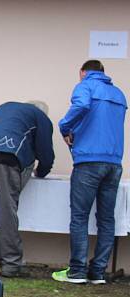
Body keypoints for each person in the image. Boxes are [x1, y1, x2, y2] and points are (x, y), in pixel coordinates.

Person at [53, 60, 127, 284]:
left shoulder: (85, 86)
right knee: (106, 219)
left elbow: (82, 106)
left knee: (79, 216)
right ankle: (97, 272)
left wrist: (65, 127)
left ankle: (76, 271)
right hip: (114, 163)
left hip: (88, 161)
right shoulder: (119, 94)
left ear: (83, 72)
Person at [0, 101, 55, 277]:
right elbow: (45, 152)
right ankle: (11, 264)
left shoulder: (4, 107)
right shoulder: (41, 117)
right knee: (8, 208)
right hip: (9, 155)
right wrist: (42, 172)